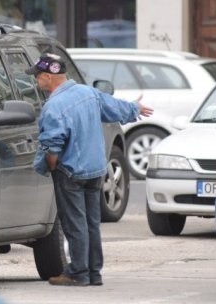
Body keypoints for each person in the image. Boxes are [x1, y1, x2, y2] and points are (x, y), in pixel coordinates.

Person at [26, 53, 153, 286]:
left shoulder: (54, 106)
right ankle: (94, 273)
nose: (35, 81)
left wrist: (53, 167)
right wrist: (135, 108)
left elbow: (52, 147)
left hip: (70, 171)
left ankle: (78, 272)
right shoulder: (88, 93)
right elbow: (114, 107)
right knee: (91, 224)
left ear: (47, 77)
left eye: (37, 77)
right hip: (95, 170)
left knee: (75, 224)